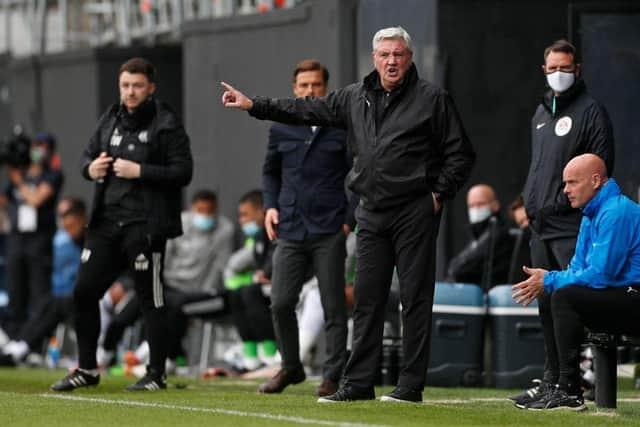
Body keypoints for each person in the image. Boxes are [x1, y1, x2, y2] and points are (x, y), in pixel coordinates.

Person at [221, 26, 475, 403]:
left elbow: (461, 154)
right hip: (371, 211)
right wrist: (253, 105)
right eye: (385, 54)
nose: (392, 61)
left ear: (410, 58)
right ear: (374, 58)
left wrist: (437, 196)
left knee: (415, 298)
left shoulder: (432, 99)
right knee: (367, 300)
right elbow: (303, 108)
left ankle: (410, 386)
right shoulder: (353, 97)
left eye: (399, 54)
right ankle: (358, 384)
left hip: (413, 211)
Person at [51, 57, 193, 392]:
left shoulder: (166, 121)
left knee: (149, 299)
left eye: (137, 86)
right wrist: (91, 169)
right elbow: (86, 157)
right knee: (83, 292)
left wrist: (140, 171)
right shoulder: (111, 118)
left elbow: (183, 172)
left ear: (151, 88)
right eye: (125, 85)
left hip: (144, 225)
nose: (130, 92)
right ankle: (87, 368)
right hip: (105, 223)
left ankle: (156, 373)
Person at [515, 39, 615, 408]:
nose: (559, 73)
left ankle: (573, 382)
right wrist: (529, 201)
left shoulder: (591, 112)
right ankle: (552, 380)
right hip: (540, 227)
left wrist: (559, 203)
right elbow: (537, 167)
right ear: (544, 70)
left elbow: (601, 168)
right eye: (553, 67)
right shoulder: (541, 113)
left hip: (571, 226)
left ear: (578, 69)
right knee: (546, 305)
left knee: (569, 303)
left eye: (566, 67)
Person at [255, 59, 355, 397]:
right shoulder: (280, 126)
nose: (310, 91)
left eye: (316, 85)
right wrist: (269, 206)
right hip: (290, 227)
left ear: (326, 89)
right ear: (294, 89)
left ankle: (332, 375)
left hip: (330, 229)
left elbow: (357, 175)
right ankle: (292, 368)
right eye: (304, 86)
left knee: (333, 305)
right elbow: (270, 171)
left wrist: (348, 220)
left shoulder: (342, 125)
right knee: (281, 302)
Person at [512, 154, 640, 411]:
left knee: (562, 295)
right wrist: (550, 281)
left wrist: (550, 278)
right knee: (552, 293)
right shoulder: (589, 214)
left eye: (572, 182)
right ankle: (556, 384)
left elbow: (602, 275)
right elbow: (579, 269)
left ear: (595, 180)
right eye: (565, 183)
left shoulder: (616, 212)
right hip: (618, 293)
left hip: (633, 295)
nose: (566, 190)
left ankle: (570, 390)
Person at [0, 197, 85, 365]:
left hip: (86, 297)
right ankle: (21, 347)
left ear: (81, 216)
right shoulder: (60, 240)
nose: (64, 221)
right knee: (45, 304)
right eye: (61, 215)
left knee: (55, 304)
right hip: (62, 297)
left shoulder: (94, 240)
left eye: (67, 214)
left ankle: (20, 348)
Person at [0, 132, 63, 339]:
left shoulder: (52, 175)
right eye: (36, 145)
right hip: (17, 239)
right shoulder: (20, 174)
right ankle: (14, 340)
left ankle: (36, 342)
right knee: (15, 290)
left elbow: (36, 200)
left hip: (39, 240)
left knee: (39, 294)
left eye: (43, 146)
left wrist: (19, 182)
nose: (38, 150)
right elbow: (4, 201)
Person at [224, 190, 278, 372]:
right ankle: (251, 354)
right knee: (236, 293)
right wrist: (262, 274)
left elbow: (280, 255)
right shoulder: (257, 237)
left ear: (261, 211)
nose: (242, 220)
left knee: (250, 291)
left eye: (245, 214)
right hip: (268, 286)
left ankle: (270, 353)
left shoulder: (278, 229)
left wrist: (269, 273)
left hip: (290, 283)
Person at [446, 184, 514, 289]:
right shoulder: (478, 234)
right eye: (471, 206)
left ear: (495, 205)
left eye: (480, 204)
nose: (476, 209)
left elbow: (461, 268)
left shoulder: (497, 232)